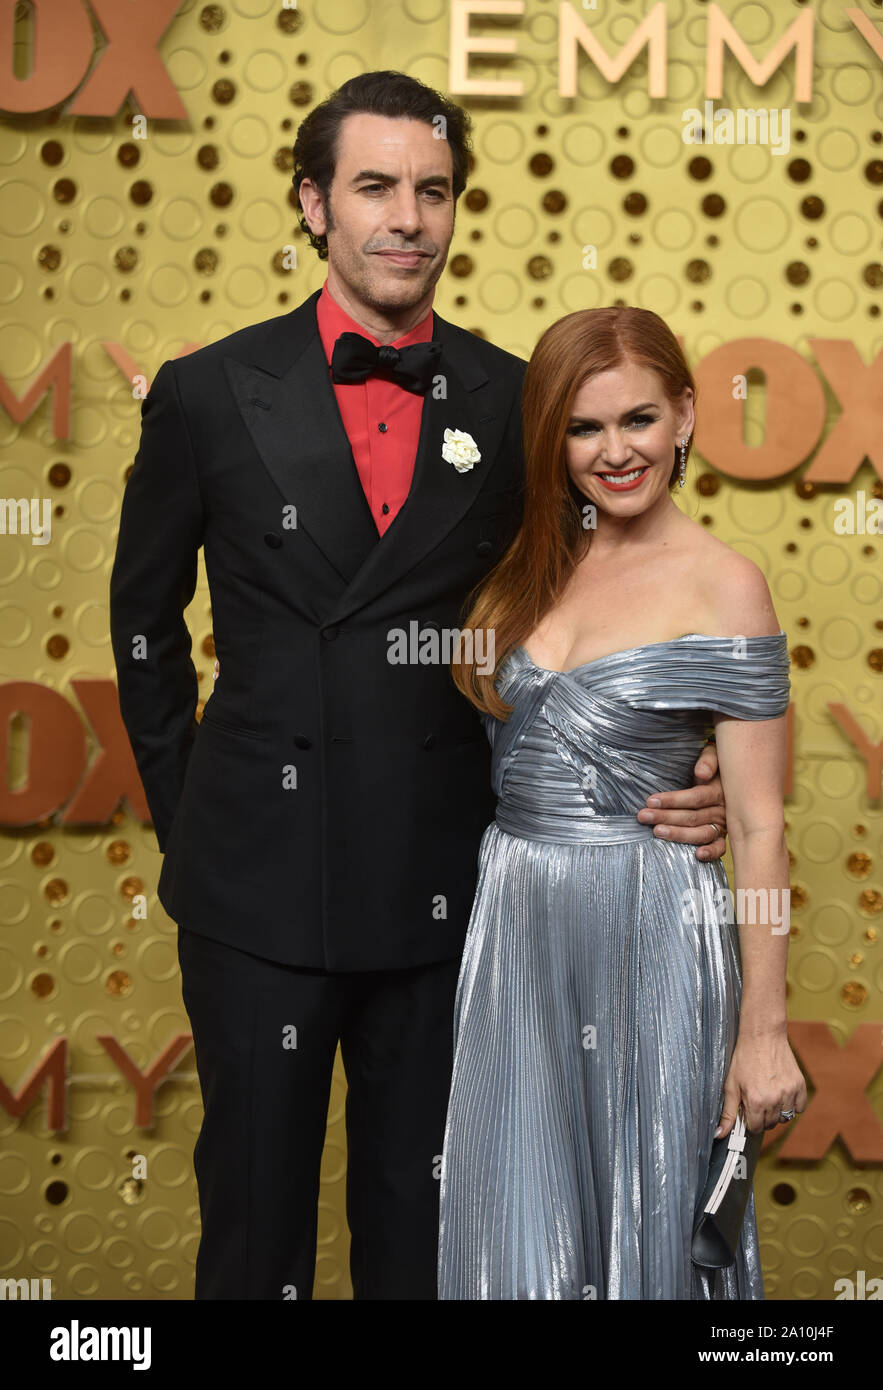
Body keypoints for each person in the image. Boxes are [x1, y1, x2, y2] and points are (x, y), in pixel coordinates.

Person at [109, 72, 730, 1301]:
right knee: (252, 1229)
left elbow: (607, 600)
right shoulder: (207, 391)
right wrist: (209, 827)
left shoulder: (516, 401)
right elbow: (143, 632)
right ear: (313, 204)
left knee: (430, 1235)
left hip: (449, 890)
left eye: (432, 191)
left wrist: (687, 768)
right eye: (376, 187)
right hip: (255, 890)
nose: (408, 217)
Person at [438, 306, 807, 1300]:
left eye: (638, 419)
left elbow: (763, 821)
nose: (615, 452)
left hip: (651, 930)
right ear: (551, 437)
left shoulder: (726, 584)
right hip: (514, 925)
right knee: (519, 1221)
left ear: (685, 415)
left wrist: (762, 1029)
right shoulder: (524, 568)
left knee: (648, 1217)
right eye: (583, 427)